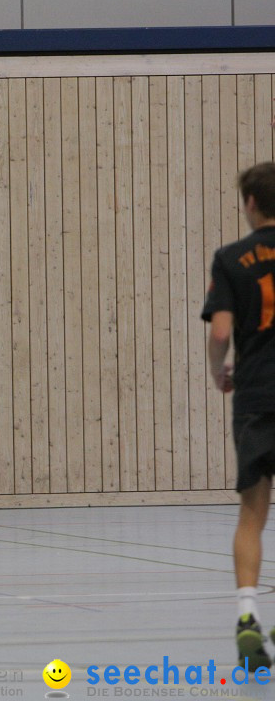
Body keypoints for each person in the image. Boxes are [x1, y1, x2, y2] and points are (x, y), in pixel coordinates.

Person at [202, 161, 275, 669]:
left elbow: (221, 333)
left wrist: (217, 372)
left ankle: (248, 613)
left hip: (255, 393)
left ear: (251, 203)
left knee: (253, 511)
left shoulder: (230, 258)